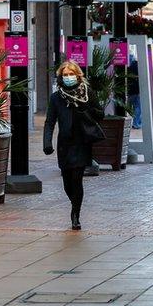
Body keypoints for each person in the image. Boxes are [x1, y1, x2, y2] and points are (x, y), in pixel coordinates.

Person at [44, 60, 105, 231]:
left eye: (71, 74)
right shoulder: (56, 98)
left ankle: (75, 214)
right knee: (67, 182)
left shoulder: (86, 93)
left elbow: (100, 115)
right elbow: (50, 122)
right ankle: (75, 202)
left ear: (78, 75)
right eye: (65, 75)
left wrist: (86, 109)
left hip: (81, 142)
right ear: (60, 77)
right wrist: (47, 143)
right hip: (64, 144)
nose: (68, 77)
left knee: (77, 180)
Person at [127, 55, 142, 129]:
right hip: (136, 90)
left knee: (131, 107)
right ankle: (136, 123)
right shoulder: (137, 65)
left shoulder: (126, 66)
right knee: (138, 107)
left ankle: (133, 122)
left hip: (129, 90)